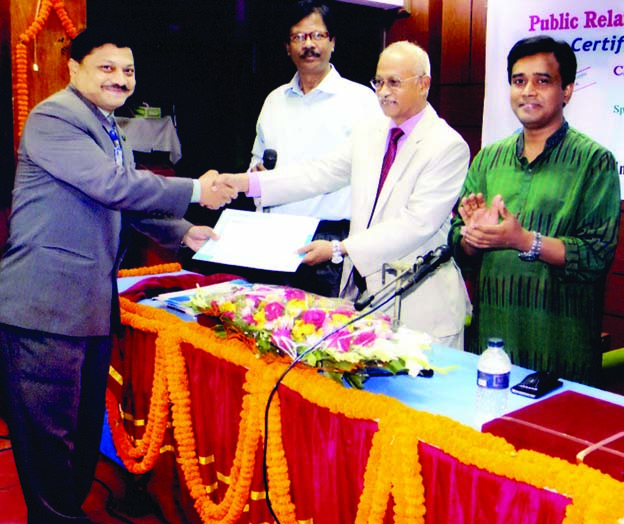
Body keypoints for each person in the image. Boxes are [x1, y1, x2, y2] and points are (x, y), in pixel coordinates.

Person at [0, 28, 235, 522]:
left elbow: (121, 203)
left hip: (86, 306)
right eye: (106, 68)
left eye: (127, 70)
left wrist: (184, 232)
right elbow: (111, 184)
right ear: (74, 70)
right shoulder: (54, 118)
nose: (120, 79)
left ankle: (66, 512)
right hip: (44, 305)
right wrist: (195, 189)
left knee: (81, 432)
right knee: (49, 439)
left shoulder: (110, 128)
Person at [220, 41, 470, 349]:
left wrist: (339, 248)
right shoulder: (371, 130)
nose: (383, 92)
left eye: (394, 82)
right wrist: (247, 184)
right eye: (378, 82)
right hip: (369, 298)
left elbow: (416, 224)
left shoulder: (447, 145)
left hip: (420, 301)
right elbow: (320, 172)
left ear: (423, 84)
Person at [448, 35, 620, 385]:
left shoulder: (594, 161)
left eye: (543, 81)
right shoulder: (489, 158)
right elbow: (456, 241)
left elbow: (596, 255)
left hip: (560, 349)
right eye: (518, 81)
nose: (528, 90)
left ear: (567, 91)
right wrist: (473, 238)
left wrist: (524, 240)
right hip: (492, 345)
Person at [246, 0, 380, 296]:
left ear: (332, 41)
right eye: (299, 37)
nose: (309, 45)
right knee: (268, 326)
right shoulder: (274, 101)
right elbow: (257, 158)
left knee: (324, 332)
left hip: (329, 238)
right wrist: (255, 172)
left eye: (317, 36)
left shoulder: (362, 100)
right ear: (287, 46)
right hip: (275, 235)